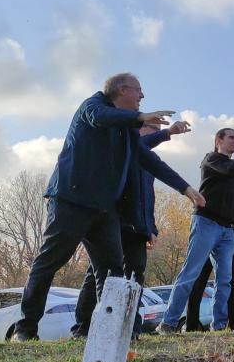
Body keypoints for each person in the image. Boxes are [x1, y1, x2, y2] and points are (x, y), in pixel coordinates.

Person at [12, 73, 204, 342]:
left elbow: (148, 159)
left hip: (104, 210)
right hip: (71, 201)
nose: (142, 97)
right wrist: (140, 118)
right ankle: (26, 328)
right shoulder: (92, 106)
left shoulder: (127, 131)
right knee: (49, 262)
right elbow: (101, 118)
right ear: (122, 90)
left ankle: (109, 331)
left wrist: (185, 188)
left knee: (113, 272)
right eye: (139, 91)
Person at [72, 120, 192, 338]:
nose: (155, 134)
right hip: (111, 223)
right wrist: (167, 132)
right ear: (139, 129)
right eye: (152, 129)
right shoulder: (123, 147)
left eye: (157, 130)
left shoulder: (149, 162)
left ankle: (131, 327)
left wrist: (152, 228)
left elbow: (148, 196)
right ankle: (83, 327)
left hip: (137, 227)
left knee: (136, 274)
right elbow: (140, 144)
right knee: (99, 273)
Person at [156, 128, 234, 333]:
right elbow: (233, 169)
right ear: (218, 140)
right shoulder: (212, 159)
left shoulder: (228, 171)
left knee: (225, 280)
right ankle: (168, 323)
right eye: (231, 137)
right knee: (190, 273)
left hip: (227, 231)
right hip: (206, 224)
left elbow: (229, 196)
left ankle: (219, 326)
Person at [185, 184, 234, 331]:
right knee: (198, 280)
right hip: (210, 237)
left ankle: (229, 324)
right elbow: (228, 210)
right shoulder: (218, 189)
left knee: (229, 281)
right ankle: (191, 325)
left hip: (229, 241)